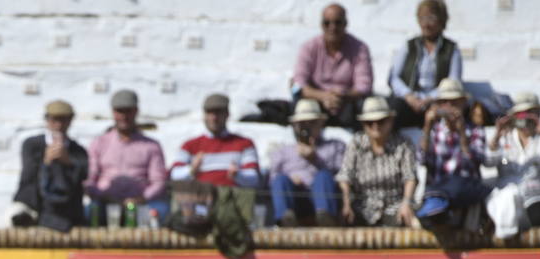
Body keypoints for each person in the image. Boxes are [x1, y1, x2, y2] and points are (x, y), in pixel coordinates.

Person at [486, 94, 540, 238]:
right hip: (508, 201)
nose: (525, 121)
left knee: (538, 215)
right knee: (506, 199)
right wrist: (497, 135)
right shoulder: (505, 138)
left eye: (530, 115)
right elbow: (488, 162)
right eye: (520, 116)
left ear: (539, 114)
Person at [86, 89, 170, 226]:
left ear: (136, 111)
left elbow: (159, 181)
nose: (124, 116)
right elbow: (89, 178)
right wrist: (103, 195)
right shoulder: (99, 143)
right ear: (113, 112)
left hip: (140, 203)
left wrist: (141, 198)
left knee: (162, 211)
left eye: (128, 111)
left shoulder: (151, 146)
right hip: (106, 201)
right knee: (89, 211)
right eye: (120, 111)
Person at [415, 78, 489, 229]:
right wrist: (427, 126)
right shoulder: (434, 130)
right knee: (436, 191)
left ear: (463, 103)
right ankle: (438, 210)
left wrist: (462, 134)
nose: (449, 106)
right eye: (444, 102)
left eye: (454, 102)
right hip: (439, 188)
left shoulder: (475, 130)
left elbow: (475, 163)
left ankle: (438, 207)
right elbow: (421, 160)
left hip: (464, 189)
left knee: (454, 186)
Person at [338, 97, 419, 227]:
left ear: (390, 121)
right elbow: (345, 176)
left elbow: (410, 177)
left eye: (381, 121)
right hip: (362, 206)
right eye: (370, 122)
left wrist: (406, 203)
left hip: (395, 205)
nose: (375, 126)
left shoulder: (403, 144)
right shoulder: (356, 143)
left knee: (408, 222)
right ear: (364, 124)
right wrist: (346, 203)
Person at [11, 99, 90, 232]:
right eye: (54, 120)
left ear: (70, 121)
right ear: (47, 120)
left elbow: (84, 176)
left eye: (63, 120)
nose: (58, 125)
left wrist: (68, 162)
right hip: (35, 210)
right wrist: (46, 161)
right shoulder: (32, 145)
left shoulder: (78, 150)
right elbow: (28, 177)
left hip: (66, 213)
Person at [292, 4, 373, 130]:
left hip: (347, 103)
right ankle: (306, 144)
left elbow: (364, 86)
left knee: (367, 107)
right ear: (321, 25)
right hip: (316, 102)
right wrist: (324, 96)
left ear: (345, 24)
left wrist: (342, 96)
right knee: (301, 106)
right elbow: (299, 83)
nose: (332, 27)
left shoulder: (360, 48)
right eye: (327, 23)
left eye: (337, 22)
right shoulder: (308, 47)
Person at [268, 98, 344, 226]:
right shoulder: (282, 151)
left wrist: (316, 159)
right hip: (295, 199)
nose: (307, 127)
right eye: (302, 123)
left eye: (312, 122)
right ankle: (286, 219)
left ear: (321, 123)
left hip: (325, 197)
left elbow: (343, 174)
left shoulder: (335, 146)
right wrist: (290, 179)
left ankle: (326, 218)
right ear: (295, 126)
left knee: (323, 176)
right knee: (280, 180)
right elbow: (271, 180)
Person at [389, 0, 464, 129]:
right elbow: (393, 77)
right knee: (393, 109)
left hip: (438, 101)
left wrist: (430, 99)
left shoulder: (451, 49)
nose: (426, 24)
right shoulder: (409, 46)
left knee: (452, 112)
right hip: (410, 102)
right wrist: (409, 96)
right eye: (422, 18)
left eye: (431, 18)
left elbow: (454, 80)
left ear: (442, 20)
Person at [169, 94, 262, 192]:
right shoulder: (190, 145)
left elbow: (254, 179)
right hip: (201, 201)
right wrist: (191, 170)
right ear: (204, 115)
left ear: (227, 114)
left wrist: (238, 175)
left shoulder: (244, 144)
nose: (214, 118)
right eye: (209, 113)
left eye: (218, 113)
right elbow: (174, 175)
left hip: (231, 200)